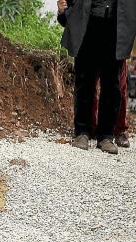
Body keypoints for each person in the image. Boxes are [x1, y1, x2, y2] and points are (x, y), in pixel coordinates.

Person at [57, 0, 136, 154]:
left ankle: (106, 136)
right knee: (84, 81)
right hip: (88, 26)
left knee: (112, 85)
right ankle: (82, 132)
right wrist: (63, 13)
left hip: (115, 28)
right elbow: (68, 3)